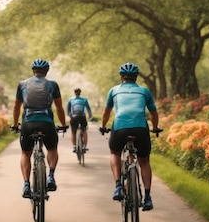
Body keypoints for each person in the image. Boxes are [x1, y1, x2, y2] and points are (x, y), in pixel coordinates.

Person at [99, 62, 160, 211]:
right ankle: (147, 198)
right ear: (136, 77)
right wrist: (155, 127)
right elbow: (153, 113)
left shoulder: (114, 90)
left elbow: (106, 112)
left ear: (121, 77)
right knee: (144, 161)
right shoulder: (144, 91)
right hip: (140, 129)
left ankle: (118, 186)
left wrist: (103, 126)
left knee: (115, 152)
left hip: (120, 128)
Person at [12, 59, 68, 199]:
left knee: (26, 153)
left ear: (33, 71)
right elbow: (59, 108)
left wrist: (14, 124)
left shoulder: (22, 84)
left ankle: (26, 184)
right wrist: (63, 124)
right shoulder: (52, 85)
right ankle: (50, 176)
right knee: (52, 149)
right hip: (47, 123)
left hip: (28, 123)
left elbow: (16, 107)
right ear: (46, 71)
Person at [66, 88, 93, 153]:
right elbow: (88, 109)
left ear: (74, 93)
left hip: (74, 117)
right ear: (80, 93)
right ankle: (84, 147)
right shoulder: (84, 99)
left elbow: (68, 110)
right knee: (84, 131)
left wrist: (70, 116)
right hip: (82, 117)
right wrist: (90, 117)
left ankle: (74, 147)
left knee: (73, 131)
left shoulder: (70, 99)